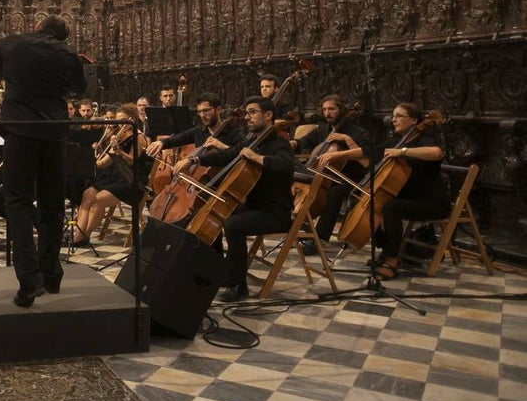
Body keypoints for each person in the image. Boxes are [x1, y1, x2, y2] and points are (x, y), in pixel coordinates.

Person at [0, 15, 86, 306]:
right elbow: (79, 88)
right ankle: (51, 273)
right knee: (53, 204)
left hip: (20, 131)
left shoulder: (12, 43)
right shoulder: (68, 53)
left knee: (17, 201)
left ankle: (29, 281)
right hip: (54, 134)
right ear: (62, 36)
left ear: (38, 26)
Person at [172, 96, 295, 302]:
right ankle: (219, 269)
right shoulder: (251, 140)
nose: (247, 117)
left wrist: (257, 158)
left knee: (233, 225)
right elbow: (225, 155)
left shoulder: (279, 142)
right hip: (253, 207)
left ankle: (239, 284)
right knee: (212, 213)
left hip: (276, 212)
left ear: (268, 115)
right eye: (247, 113)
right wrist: (194, 159)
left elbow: (286, 165)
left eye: (253, 112)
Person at [371, 103, 449, 280]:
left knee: (391, 208)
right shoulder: (397, 140)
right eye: (393, 115)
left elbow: (436, 153)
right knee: (371, 203)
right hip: (411, 198)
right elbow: (373, 152)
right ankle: (386, 249)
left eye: (399, 116)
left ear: (414, 120)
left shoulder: (425, 138)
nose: (393, 119)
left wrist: (403, 152)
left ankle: (392, 261)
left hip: (432, 202)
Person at [293, 94, 371, 255]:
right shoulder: (323, 130)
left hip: (351, 179)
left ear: (341, 110)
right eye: (325, 109)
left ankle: (319, 238)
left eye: (332, 109)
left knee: (333, 193)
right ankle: (303, 229)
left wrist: (347, 140)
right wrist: (292, 143)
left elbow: (366, 163)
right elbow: (304, 142)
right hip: (325, 176)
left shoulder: (359, 132)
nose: (327, 113)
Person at [71, 104, 148, 245]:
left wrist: (119, 151)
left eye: (123, 120)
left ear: (132, 119)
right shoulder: (118, 136)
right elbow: (104, 163)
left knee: (97, 200)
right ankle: (78, 236)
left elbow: (131, 162)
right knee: (87, 194)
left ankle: (82, 239)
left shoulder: (140, 137)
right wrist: (94, 153)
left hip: (131, 179)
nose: (120, 124)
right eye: (118, 121)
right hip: (114, 177)